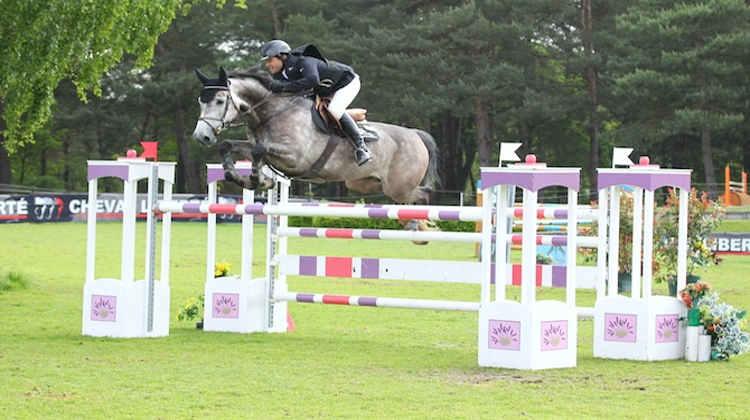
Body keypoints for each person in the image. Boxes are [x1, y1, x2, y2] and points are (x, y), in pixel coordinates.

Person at [259, 40, 373, 166]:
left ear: (283, 56)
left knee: (335, 109)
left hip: (345, 83)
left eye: (270, 60)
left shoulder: (304, 61)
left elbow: (312, 80)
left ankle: (361, 148)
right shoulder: (280, 74)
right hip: (324, 89)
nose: (267, 65)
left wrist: (283, 86)